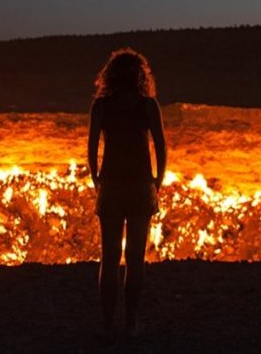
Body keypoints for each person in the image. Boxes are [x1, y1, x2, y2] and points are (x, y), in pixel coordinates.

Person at [87, 47, 167, 340]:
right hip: (140, 186)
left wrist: (98, 182)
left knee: (108, 259)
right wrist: (156, 183)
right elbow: (160, 147)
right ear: (140, 76)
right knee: (135, 259)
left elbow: (91, 150)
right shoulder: (148, 106)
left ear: (110, 76)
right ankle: (131, 323)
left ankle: (108, 326)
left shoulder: (101, 106)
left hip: (111, 186)